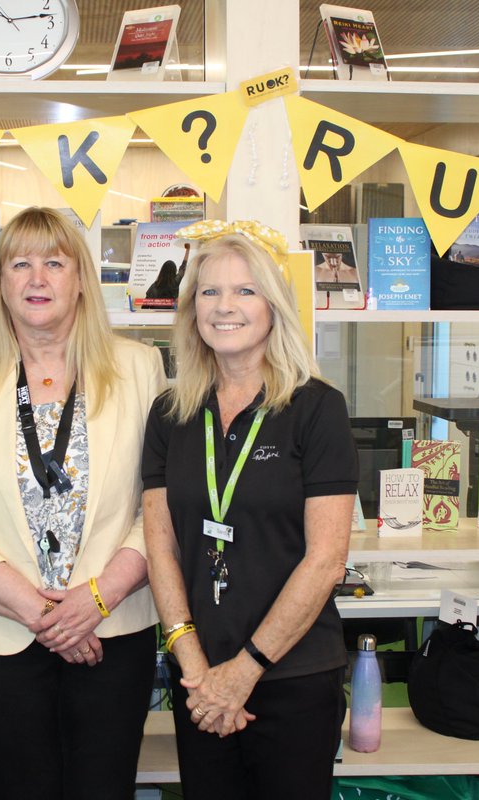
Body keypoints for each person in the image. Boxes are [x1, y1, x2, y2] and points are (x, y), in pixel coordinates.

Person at [0, 206, 166, 800]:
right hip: (3, 637)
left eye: (55, 262)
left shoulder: (139, 368)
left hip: (113, 631)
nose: (37, 279)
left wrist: (97, 598)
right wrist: (46, 614)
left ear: (81, 278)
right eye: (19, 264)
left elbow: (160, 508)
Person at [141, 220, 359, 799]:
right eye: (209, 292)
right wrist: (196, 668)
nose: (224, 306)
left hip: (293, 675)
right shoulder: (170, 413)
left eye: (244, 290)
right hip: (200, 676)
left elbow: (327, 560)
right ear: (190, 310)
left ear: (273, 307)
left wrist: (244, 672)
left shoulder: (317, 409)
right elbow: (160, 546)